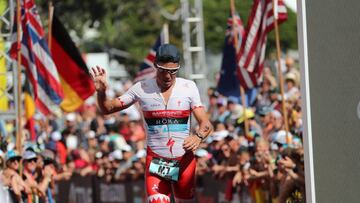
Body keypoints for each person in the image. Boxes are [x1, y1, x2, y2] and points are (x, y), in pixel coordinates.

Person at [90, 44, 213, 203]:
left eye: (173, 71)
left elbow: (206, 123)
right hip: (156, 161)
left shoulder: (188, 87)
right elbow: (107, 108)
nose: (168, 76)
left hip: (184, 162)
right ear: (155, 66)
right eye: (163, 70)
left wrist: (198, 137)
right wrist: (101, 92)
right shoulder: (142, 88)